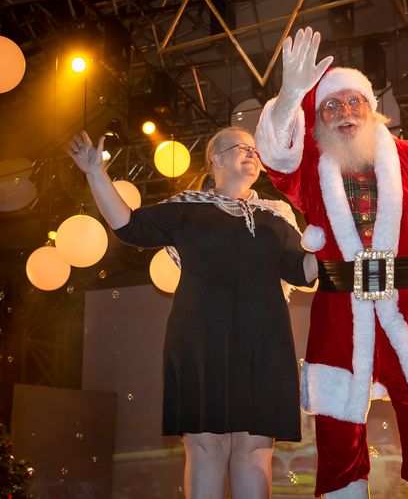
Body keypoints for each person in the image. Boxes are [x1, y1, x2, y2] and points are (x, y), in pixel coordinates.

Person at [256, 27, 408, 498]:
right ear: (318, 119)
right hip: (340, 311)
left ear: (372, 109)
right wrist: (289, 98)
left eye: (354, 102)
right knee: (338, 431)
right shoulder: (311, 165)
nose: (345, 112)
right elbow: (277, 158)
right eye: (332, 105)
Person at [67, 126, 318, 499]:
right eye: (241, 147)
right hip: (200, 342)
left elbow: (302, 271)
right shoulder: (187, 208)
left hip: (264, 345)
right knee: (205, 449)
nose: (252, 154)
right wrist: (95, 173)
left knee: (254, 451)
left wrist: (333, 239)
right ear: (215, 158)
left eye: (255, 150)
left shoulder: (277, 215)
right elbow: (129, 226)